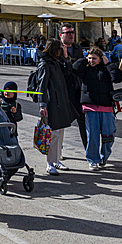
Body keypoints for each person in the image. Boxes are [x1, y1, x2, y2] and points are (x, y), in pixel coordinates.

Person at [72, 47, 122, 169]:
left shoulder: (107, 69)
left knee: (109, 135)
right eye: (90, 58)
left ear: (101, 59)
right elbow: (74, 68)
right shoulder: (85, 70)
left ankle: (104, 156)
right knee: (93, 135)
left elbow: (117, 78)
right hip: (90, 106)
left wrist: (109, 64)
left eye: (94, 59)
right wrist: (85, 60)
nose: (91, 61)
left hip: (106, 106)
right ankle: (93, 159)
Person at [36, 39, 77, 175]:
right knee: (53, 134)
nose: (61, 50)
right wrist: (42, 104)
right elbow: (42, 85)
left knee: (60, 133)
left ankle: (57, 159)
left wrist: (66, 58)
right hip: (52, 103)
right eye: (59, 48)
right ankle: (50, 162)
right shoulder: (46, 63)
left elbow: (68, 72)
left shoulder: (56, 62)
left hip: (60, 101)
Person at [59, 25, 86, 148]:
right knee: (62, 122)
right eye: (67, 32)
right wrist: (66, 59)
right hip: (63, 90)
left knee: (83, 120)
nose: (71, 35)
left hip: (78, 88)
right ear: (61, 35)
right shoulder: (57, 48)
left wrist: (67, 59)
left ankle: (88, 150)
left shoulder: (77, 47)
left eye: (72, 32)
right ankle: (58, 151)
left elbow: (79, 65)